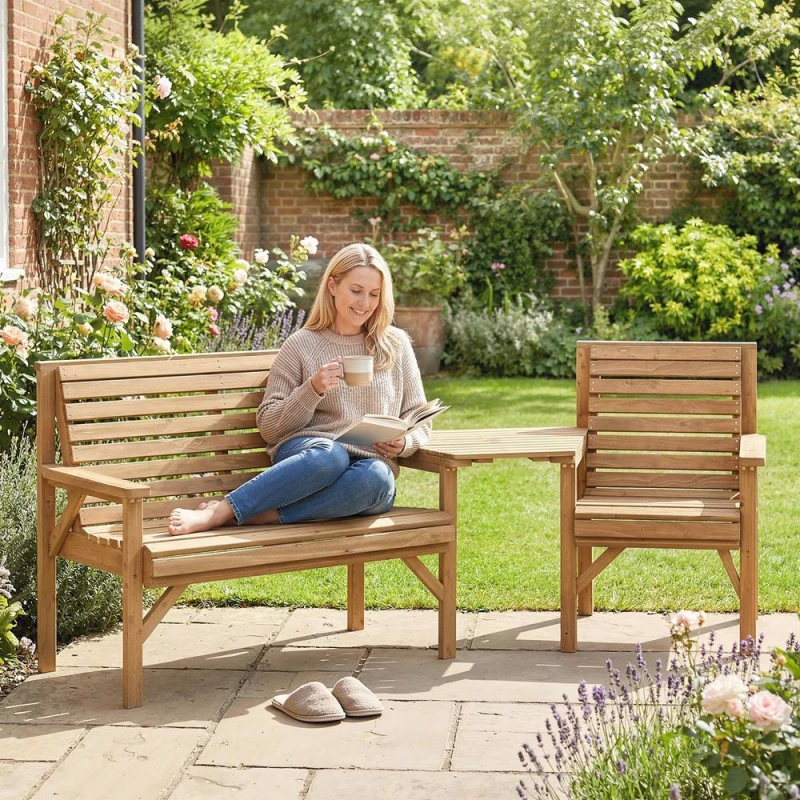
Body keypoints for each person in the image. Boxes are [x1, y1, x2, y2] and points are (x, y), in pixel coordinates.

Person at [167, 242, 433, 536]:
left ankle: (266, 516)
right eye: (356, 291)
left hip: (365, 471)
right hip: (311, 456)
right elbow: (269, 426)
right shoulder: (301, 344)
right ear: (332, 285)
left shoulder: (395, 344)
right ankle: (223, 511)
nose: (365, 303)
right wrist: (313, 389)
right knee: (331, 455)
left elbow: (420, 416)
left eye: (374, 294)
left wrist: (405, 443)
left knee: (379, 478)